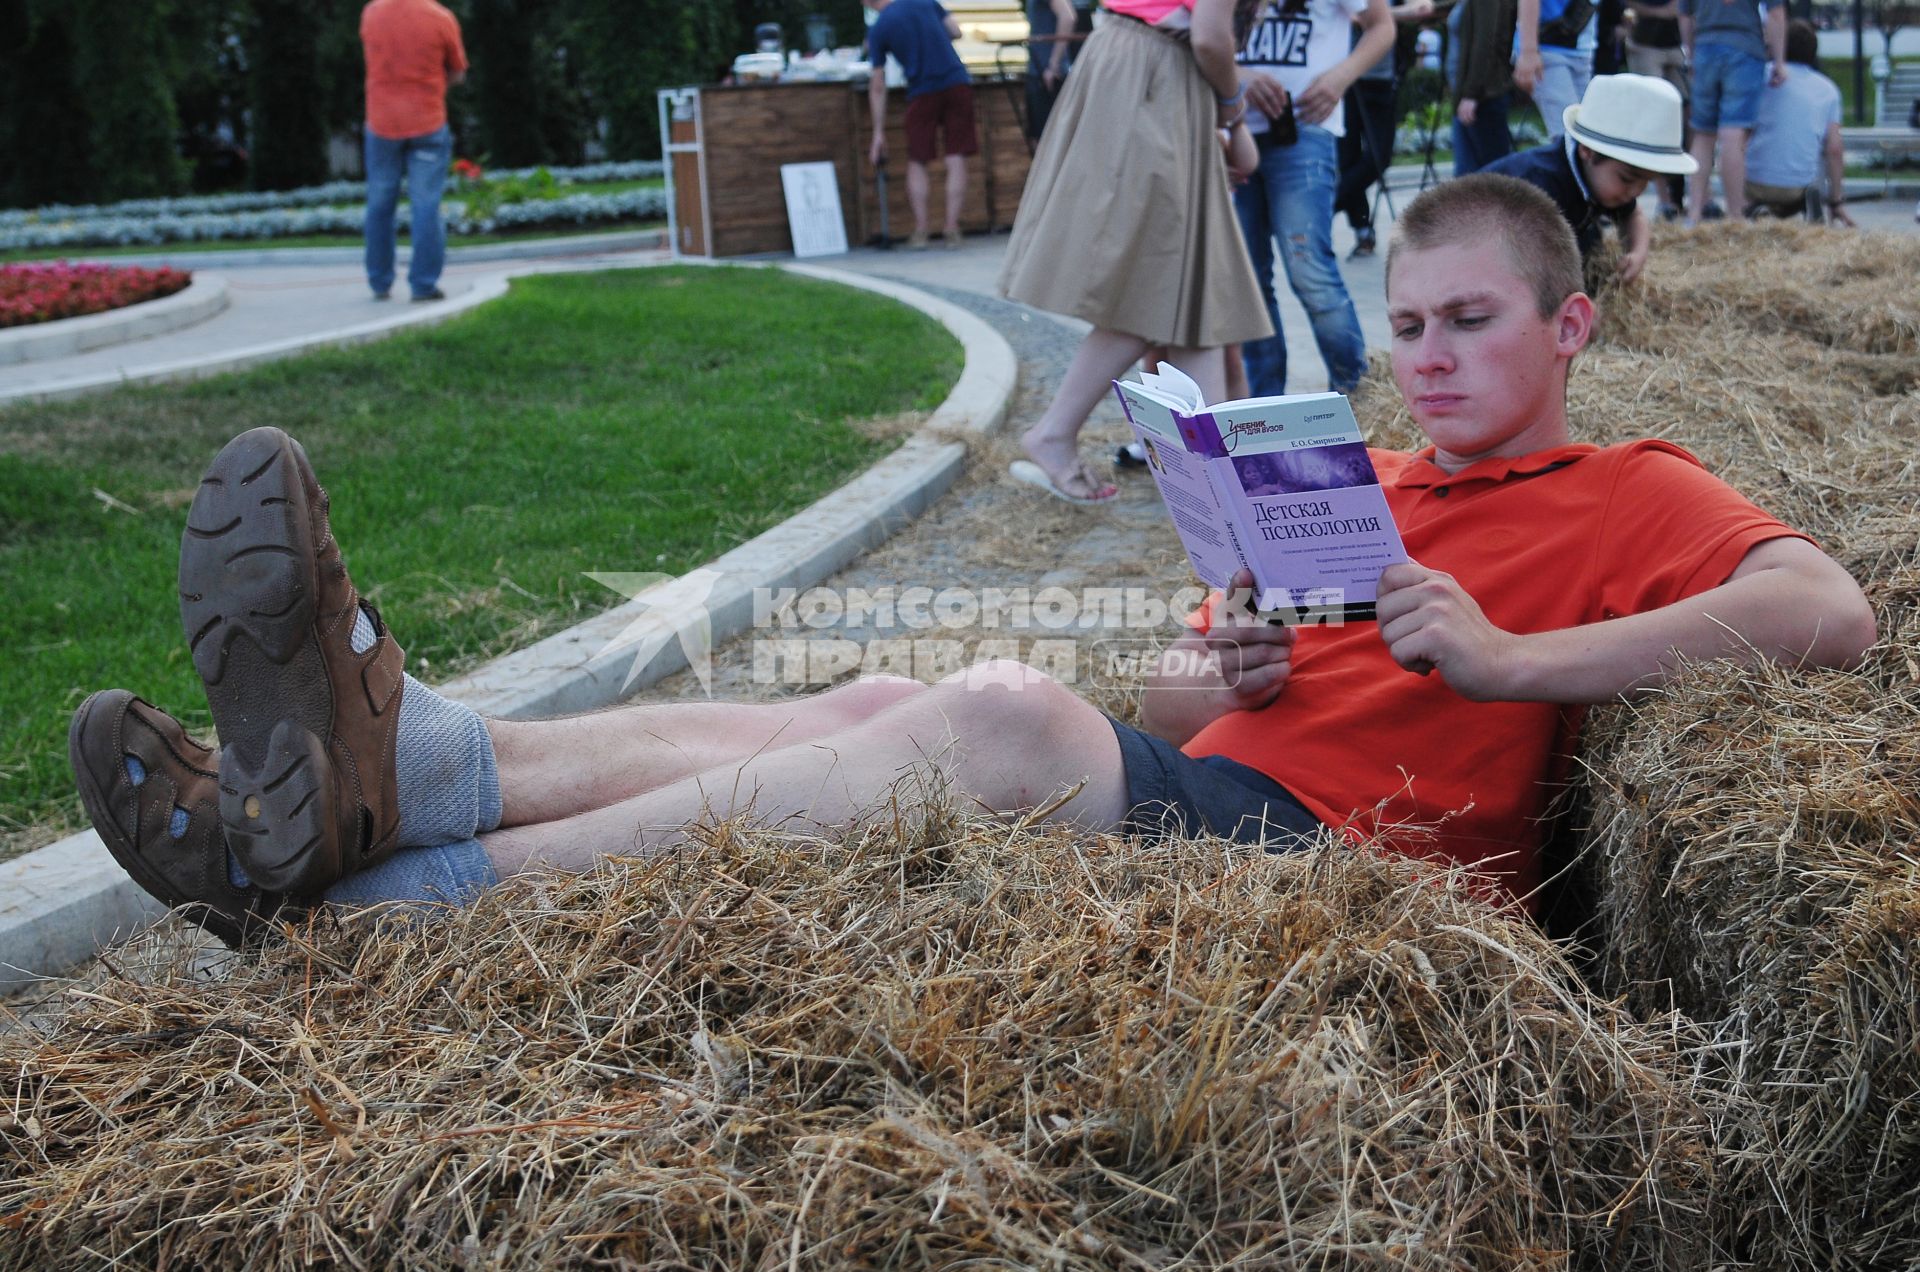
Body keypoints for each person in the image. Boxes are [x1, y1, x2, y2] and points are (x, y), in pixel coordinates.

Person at [70, 175, 1876, 948]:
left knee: (1003, 715)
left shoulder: (1630, 482)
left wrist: (1506, 662)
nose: (1428, 354)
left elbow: (1828, 616)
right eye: (1405, 321)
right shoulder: (1358, 470)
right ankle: (410, 774)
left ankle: (388, 922)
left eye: (1471, 321)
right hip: (1223, 792)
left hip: (1364, 876)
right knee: (878, 693)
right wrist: (1231, 656)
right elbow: (1172, 699)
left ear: (1568, 328)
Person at [998, 0, 1272, 504]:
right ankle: (1056, 433)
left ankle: (1214, 477)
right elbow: (1211, 36)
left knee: (1193, 287)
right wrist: (1234, 111)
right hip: (1153, 73)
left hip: (1144, 68)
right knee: (1159, 280)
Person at [1232, 0, 1395, 395]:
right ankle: (1265, 412)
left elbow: (1381, 25)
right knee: (1248, 281)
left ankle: (1360, 398)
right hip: (1234, 128)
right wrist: (1239, 75)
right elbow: (1199, 35)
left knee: (1310, 272)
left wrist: (1339, 79)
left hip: (1305, 128)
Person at [1486, 73, 1696, 282]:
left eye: (1646, 182)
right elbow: (1525, 269)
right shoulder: (1540, 186)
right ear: (1587, 151)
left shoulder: (1602, 180)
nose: (1635, 192)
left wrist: (1637, 252)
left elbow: (1633, 215)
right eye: (1627, 179)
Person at [359, 0, 467, 303]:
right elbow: (458, 73)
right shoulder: (440, 17)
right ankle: (423, 285)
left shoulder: (372, 13)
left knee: (379, 203)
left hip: (381, 124)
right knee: (426, 205)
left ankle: (379, 282)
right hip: (428, 123)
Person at [866, 0, 980, 251]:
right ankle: (951, 229)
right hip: (956, 82)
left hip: (921, 91)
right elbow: (955, 31)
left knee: (918, 159)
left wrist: (877, 132)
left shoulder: (879, 28)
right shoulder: (925, 1)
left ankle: (921, 231)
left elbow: (877, 84)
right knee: (956, 156)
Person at [1335, 0, 1438, 260]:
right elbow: (1355, 18)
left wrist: (1384, 15)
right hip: (1347, 80)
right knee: (1348, 158)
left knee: (1379, 157)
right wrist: (1392, 16)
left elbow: (1423, 8)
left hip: (1382, 82)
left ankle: (1327, 205)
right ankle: (1362, 230)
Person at [1678, 0, 1786, 226]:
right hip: (1745, 48)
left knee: (1703, 133)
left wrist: (1691, 54)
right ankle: (1735, 215)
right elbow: (1775, 14)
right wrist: (1779, 61)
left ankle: (1694, 212)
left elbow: (1685, 15)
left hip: (1705, 48)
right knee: (1733, 134)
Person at [1743, 19, 1854, 225]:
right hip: (1798, 189)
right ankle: (1813, 208)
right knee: (1821, 143)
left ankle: (1753, 207)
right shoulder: (1827, 90)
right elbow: (1835, 150)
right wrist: (1836, 200)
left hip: (1752, 184)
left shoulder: (1759, 76)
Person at [1623, 0, 1690, 217]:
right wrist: (1658, 12)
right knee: (1656, 120)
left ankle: (1682, 196)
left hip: (1676, 45)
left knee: (1688, 120)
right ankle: (1665, 201)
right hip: (1645, 44)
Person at [1512, 0, 1596, 143]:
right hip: (1548, 50)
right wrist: (1528, 52)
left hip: (1580, 50)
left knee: (1587, 134)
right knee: (1569, 137)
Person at [1452, 0, 1519, 175]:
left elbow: (1485, 40)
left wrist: (1472, 93)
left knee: (1489, 177)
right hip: (1472, 96)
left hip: (1483, 96)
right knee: (1470, 178)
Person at [1024, 0, 1087, 141]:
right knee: (1041, 135)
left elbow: (1068, 17)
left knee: (1050, 137)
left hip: (1048, 72)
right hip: (1041, 68)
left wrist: (1054, 64)